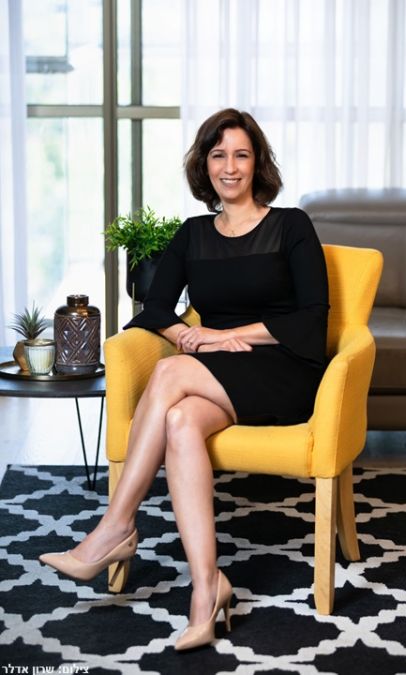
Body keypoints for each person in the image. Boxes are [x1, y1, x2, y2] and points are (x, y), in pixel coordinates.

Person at [39, 108, 329, 651]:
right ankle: (207, 587)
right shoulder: (193, 234)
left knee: (170, 371)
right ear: (204, 164)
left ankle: (115, 526)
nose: (230, 167)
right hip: (220, 370)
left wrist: (222, 335)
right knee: (179, 419)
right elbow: (153, 307)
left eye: (241, 154)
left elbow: (312, 320)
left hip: (283, 368)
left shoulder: (292, 225)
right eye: (218, 155)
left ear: (258, 163)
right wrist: (190, 336)